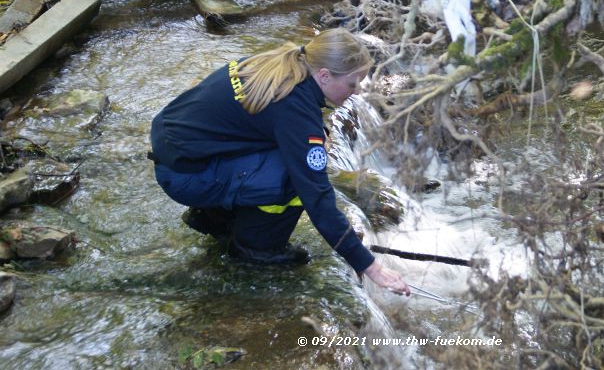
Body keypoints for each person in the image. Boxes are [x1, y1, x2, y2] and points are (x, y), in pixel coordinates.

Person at [149, 28, 410, 295]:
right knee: (296, 180)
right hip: (185, 176)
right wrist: (371, 267)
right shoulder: (294, 107)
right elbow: (317, 197)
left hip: (177, 152)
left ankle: (213, 217)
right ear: (324, 75)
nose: (355, 93)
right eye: (352, 84)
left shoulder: (281, 64)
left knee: (294, 157)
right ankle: (256, 248)